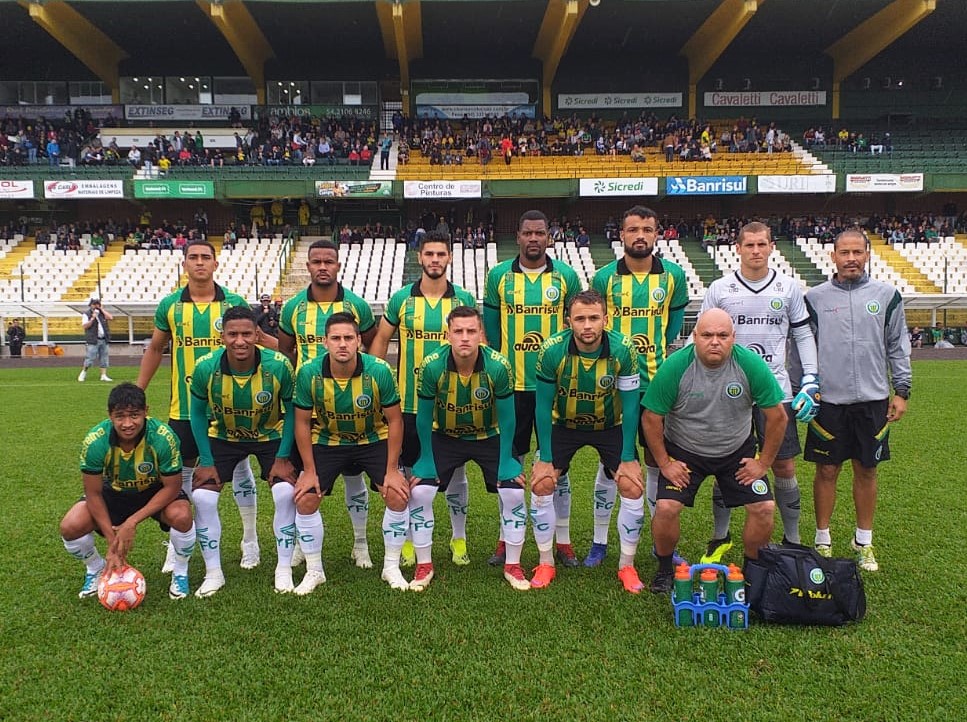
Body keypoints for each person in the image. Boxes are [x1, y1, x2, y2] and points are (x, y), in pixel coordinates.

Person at [138, 240, 267, 575]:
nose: (199, 263)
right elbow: (155, 349)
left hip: (231, 408)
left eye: (205, 257)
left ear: (215, 264)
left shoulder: (233, 303)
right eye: (193, 258)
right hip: (183, 408)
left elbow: (259, 340)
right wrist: (138, 392)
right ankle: (178, 544)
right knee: (181, 478)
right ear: (184, 264)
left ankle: (249, 540)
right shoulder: (170, 306)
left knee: (240, 471)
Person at [698, 221, 820, 562]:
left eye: (761, 244)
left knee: (783, 466)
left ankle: (793, 539)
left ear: (771, 247)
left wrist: (810, 377)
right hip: (729, 391)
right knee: (727, 464)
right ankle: (720, 536)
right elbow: (704, 337)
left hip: (776, 392)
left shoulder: (788, 288)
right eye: (749, 245)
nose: (755, 250)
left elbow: (803, 335)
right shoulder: (720, 289)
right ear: (737, 248)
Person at [642, 309, 785, 593]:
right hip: (685, 450)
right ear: (694, 337)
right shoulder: (676, 366)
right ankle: (664, 570)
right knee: (667, 507)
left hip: (735, 451)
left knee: (764, 508)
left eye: (722, 335)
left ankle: (752, 572)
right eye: (707, 335)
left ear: (734, 338)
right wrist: (666, 463)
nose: (715, 342)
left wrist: (763, 463)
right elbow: (651, 417)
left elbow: (778, 416)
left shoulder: (750, 365)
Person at [804, 229, 912, 572]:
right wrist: (802, 389)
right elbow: (803, 351)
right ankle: (822, 539)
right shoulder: (815, 298)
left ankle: (863, 541)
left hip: (873, 400)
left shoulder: (887, 295)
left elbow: (898, 346)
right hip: (829, 402)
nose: (851, 258)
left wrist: (902, 391)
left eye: (857, 252)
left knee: (867, 469)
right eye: (844, 252)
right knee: (827, 469)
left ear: (867, 255)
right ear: (832, 256)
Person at [587, 205, 687, 567]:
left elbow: (673, 326)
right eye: (633, 229)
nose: (640, 235)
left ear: (657, 234)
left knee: (656, 462)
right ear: (622, 235)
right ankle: (599, 541)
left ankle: (661, 543)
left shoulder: (673, 275)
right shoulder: (604, 279)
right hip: (612, 385)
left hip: (656, 385)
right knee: (610, 463)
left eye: (647, 228)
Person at [370, 231, 477, 568]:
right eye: (429, 254)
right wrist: (373, 381)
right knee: (408, 474)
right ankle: (407, 540)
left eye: (440, 254)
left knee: (457, 473)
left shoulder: (462, 299)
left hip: (453, 405)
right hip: (410, 405)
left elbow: (479, 345)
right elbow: (381, 340)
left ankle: (458, 538)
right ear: (420, 257)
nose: (434, 260)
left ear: (448, 258)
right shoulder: (402, 298)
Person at [483, 209, 583, 568]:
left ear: (549, 237)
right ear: (518, 237)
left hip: (553, 388)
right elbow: (492, 332)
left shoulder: (567, 276)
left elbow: (575, 327)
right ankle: (504, 537)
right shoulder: (499, 277)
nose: (534, 239)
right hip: (512, 389)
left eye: (541, 233)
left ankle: (564, 540)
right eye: (528, 233)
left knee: (558, 468)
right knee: (511, 465)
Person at [529, 290, 644, 591]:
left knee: (631, 484)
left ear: (607, 319)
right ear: (568, 321)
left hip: (610, 425)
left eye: (594, 318)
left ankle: (627, 567)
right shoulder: (551, 350)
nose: (587, 325)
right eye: (580, 318)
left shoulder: (624, 350)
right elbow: (542, 406)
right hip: (563, 424)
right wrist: (544, 457)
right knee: (542, 483)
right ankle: (545, 563)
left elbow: (631, 406)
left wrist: (629, 456)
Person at [407, 306, 526, 590]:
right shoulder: (431, 365)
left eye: (471, 331)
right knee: (420, 490)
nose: (464, 338)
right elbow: (422, 417)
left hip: (488, 436)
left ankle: (514, 565)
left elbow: (509, 418)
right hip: (445, 436)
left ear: (481, 334)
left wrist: (508, 457)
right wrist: (424, 457)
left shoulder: (499, 365)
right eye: (458, 331)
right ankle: (424, 565)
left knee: (513, 492)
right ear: (448, 334)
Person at [290, 313, 409, 594]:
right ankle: (314, 570)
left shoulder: (379, 370)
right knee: (305, 499)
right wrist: (308, 470)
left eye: (348, 338)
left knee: (396, 493)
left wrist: (392, 469)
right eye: (335, 338)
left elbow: (394, 420)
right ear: (324, 342)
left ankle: (390, 567)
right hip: (329, 439)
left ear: (358, 341)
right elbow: (302, 422)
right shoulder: (308, 372)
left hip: (372, 438)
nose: (342, 344)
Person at [278, 239, 378, 569]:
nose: (323, 266)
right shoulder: (292, 307)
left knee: (354, 475)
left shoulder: (358, 306)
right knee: (303, 478)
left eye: (329, 261)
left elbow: (372, 342)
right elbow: (286, 351)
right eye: (316, 261)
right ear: (307, 266)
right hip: (308, 408)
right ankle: (297, 542)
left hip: (353, 406)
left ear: (338, 266)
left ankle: (360, 543)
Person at [189, 306, 298, 597]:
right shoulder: (204, 367)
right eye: (233, 334)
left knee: (286, 492)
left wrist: (283, 457)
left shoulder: (278, 365)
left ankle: (283, 569)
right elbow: (197, 415)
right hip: (224, 437)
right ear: (222, 336)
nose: (240, 341)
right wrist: (207, 461)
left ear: (257, 335)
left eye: (247, 334)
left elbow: (291, 413)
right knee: (202, 496)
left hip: (270, 435)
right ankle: (214, 573)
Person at [59, 383, 196, 600]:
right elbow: (93, 493)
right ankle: (95, 568)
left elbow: (172, 486)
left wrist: (131, 522)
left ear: (146, 412)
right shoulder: (96, 441)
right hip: (114, 492)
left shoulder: (163, 437)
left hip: (155, 491)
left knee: (182, 515)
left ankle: (180, 572)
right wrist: (113, 541)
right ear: (110, 415)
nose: (127, 424)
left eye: (134, 415)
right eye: (120, 416)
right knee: (70, 526)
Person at [78, 299, 113, 382]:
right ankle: (83, 373)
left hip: (103, 339)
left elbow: (110, 317)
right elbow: (85, 326)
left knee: (104, 358)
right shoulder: (86, 314)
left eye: (97, 304)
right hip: (93, 340)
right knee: (90, 358)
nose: (96, 306)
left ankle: (103, 375)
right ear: (91, 305)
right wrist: (93, 318)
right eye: (94, 304)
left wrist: (102, 310)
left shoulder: (102, 314)